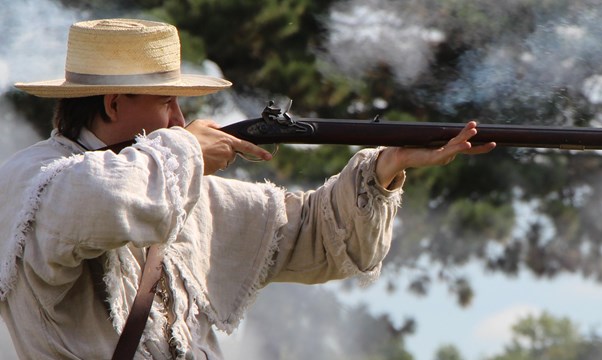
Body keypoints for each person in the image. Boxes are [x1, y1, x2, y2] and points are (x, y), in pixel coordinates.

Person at [0, 18, 495, 359]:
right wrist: (188, 150)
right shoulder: (36, 177)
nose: (179, 119)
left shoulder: (169, 183)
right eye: (168, 103)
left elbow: (310, 231)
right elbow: (107, 198)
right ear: (111, 105)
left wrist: (388, 163)